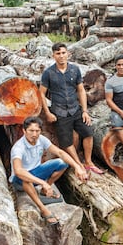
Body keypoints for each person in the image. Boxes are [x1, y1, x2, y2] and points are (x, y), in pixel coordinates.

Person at [39, 42, 105, 174]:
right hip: (60, 112)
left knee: (88, 133)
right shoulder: (48, 73)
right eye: (58, 53)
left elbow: (80, 90)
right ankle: (77, 164)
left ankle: (88, 162)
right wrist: (47, 112)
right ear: (53, 56)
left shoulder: (74, 70)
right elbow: (41, 93)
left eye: (63, 53)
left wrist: (85, 111)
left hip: (75, 109)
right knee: (66, 142)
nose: (61, 56)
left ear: (68, 54)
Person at [9, 116, 88, 225]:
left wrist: (77, 166)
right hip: (20, 181)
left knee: (62, 163)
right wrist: (42, 183)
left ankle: (43, 192)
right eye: (31, 131)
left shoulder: (41, 139)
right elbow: (18, 171)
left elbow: (60, 153)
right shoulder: (18, 148)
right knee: (25, 177)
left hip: (36, 172)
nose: (34, 134)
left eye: (37, 131)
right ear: (24, 131)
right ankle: (43, 209)